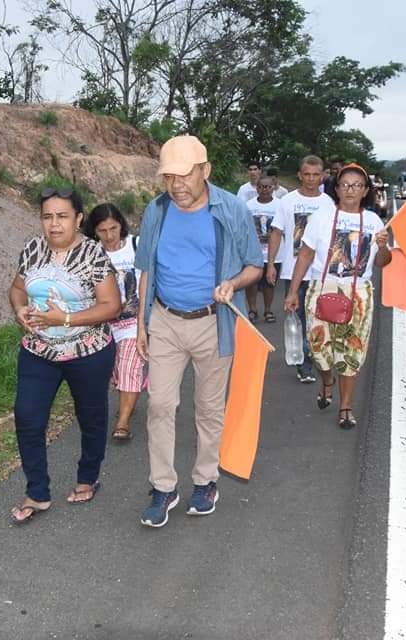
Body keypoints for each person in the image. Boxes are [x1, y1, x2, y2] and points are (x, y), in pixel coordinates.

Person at [134, 135, 262, 528]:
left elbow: (255, 265)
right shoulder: (156, 211)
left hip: (214, 321)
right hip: (166, 320)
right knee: (159, 405)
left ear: (205, 171)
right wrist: (142, 323)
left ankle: (206, 480)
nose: (176, 186)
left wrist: (233, 284)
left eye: (185, 176)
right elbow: (145, 270)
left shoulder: (232, 209)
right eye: (169, 177)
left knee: (208, 409)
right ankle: (163, 487)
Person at [7, 187, 122, 523]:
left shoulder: (94, 255)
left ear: (78, 219)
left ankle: (88, 477)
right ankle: (37, 492)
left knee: (91, 417)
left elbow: (111, 306)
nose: (54, 224)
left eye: (62, 216)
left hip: (88, 352)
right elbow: (16, 289)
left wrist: (66, 318)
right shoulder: (32, 249)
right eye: (47, 216)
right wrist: (19, 310)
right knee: (27, 416)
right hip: (38, 349)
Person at [283, 164, 391, 430]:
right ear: (337, 188)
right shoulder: (321, 217)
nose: (350, 190)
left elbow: (383, 262)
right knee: (319, 352)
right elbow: (306, 254)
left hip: (358, 295)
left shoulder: (375, 222)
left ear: (365, 190)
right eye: (345, 185)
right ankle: (327, 380)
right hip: (322, 288)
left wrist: (381, 246)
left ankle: (345, 406)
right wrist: (293, 290)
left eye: (356, 185)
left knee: (351, 352)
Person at [266, 155, 335, 384]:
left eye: (316, 175)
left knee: (320, 318)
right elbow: (276, 232)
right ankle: (304, 364)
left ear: (323, 175)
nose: (311, 179)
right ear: (299, 175)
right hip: (292, 271)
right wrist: (271, 264)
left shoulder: (328, 203)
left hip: (320, 272)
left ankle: (318, 357)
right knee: (300, 318)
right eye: (307, 174)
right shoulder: (287, 202)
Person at [84, 203, 146, 441]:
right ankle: (136, 381)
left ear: (121, 224)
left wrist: (145, 322)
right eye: (102, 230)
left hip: (133, 322)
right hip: (102, 324)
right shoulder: (90, 252)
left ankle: (122, 422)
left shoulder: (136, 245)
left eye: (114, 228)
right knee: (113, 371)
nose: (109, 236)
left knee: (128, 367)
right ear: (94, 231)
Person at [246, 175, 284, 324]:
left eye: (268, 187)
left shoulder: (280, 205)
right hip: (254, 252)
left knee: (269, 283)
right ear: (257, 188)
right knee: (251, 283)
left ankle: (268, 310)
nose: (264, 190)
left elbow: (285, 229)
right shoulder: (249, 205)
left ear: (273, 187)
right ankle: (252, 309)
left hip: (274, 254)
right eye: (261, 187)